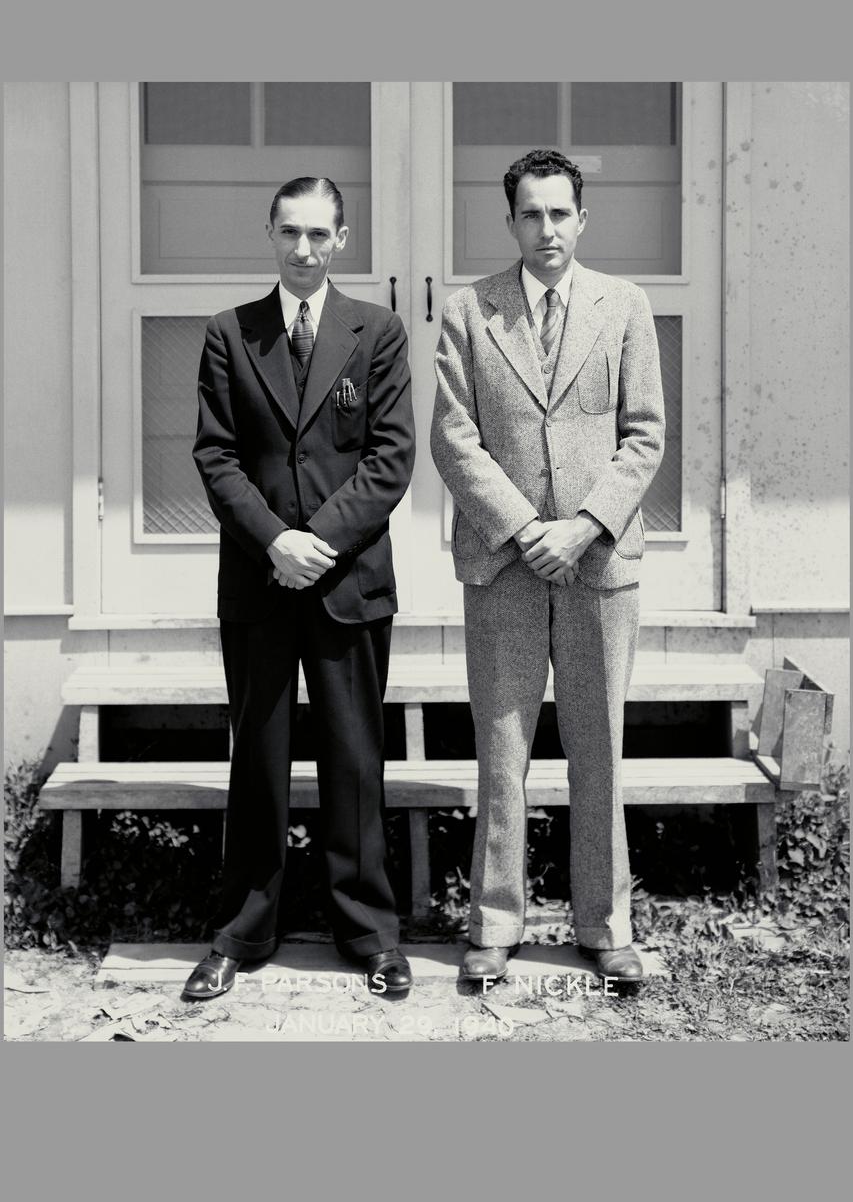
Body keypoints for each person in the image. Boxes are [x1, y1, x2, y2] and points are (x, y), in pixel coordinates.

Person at [430, 148, 665, 984]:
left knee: (597, 748)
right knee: (502, 751)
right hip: (505, 565)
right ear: (510, 223)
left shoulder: (624, 305)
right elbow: (453, 440)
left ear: (581, 218)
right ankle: (494, 924)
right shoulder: (469, 311)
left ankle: (606, 927)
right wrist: (528, 528)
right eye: (530, 214)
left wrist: (584, 527)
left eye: (560, 212)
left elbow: (644, 435)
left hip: (599, 565)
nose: (546, 229)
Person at [186, 176, 415, 999]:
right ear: (271, 235)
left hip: (346, 579)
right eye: (290, 232)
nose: (304, 249)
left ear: (342, 238)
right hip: (258, 578)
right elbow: (216, 455)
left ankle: (371, 934)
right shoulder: (229, 332)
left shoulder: (377, 331)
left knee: (355, 760)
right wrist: (275, 540)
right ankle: (242, 933)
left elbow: (391, 457)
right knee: (259, 757)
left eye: (319, 234)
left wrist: (316, 540)